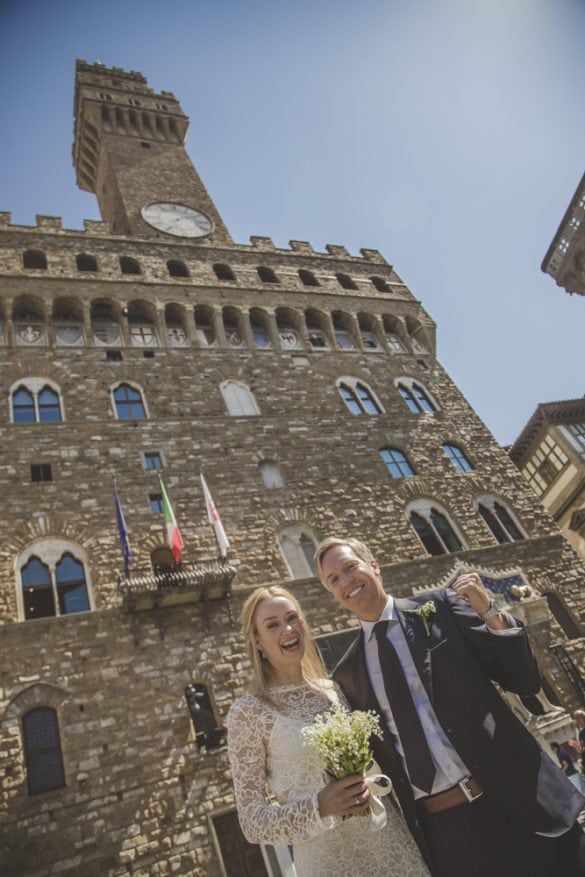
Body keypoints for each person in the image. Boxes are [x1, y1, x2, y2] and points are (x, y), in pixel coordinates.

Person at [316, 535, 585, 877]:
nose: (346, 582)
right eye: (333, 580)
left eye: (350, 567)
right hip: (448, 835)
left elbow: (524, 681)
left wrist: (490, 612)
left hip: (522, 800)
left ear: (373, 566)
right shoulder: (348, 674)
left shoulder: (442, 606)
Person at [226, 585, 429, 877]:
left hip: (391, 843)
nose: (287, 629)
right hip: (329, 862)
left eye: (292, 618)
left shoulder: (334, 690)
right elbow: (252, 822)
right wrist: (319, 806)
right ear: (258, 642)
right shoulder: (248, 712)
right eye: (273, 625)